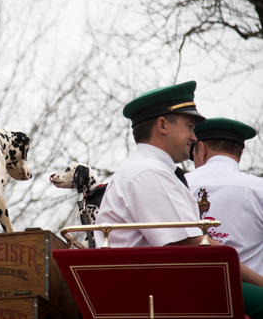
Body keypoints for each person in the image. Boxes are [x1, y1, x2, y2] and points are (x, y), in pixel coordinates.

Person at [93, 81, 263, 318]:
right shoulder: (149, 172)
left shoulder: (152, 170)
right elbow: (194, 246)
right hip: (157, 294)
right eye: (189, 127)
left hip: (161, 289)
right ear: (162, 125)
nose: (194, 137)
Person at [186, 117, 263, 276]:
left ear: (201, 148)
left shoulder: (178, 185)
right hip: (249, 297)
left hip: (189, 293)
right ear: (239, 155)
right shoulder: (258, 188)